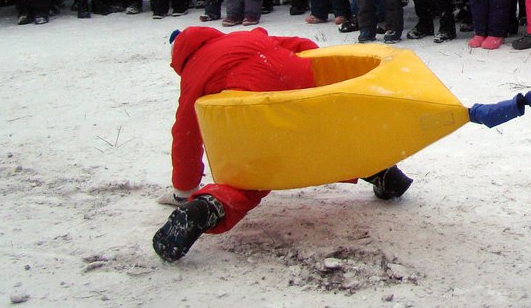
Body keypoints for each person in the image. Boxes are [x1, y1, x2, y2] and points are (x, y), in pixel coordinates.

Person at [152, 26, 412, 261]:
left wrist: (183, 189)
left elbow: (185, 134)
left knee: (258, 169)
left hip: (254, 94)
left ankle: (207, 208)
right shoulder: (245, 37)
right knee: (319, 141)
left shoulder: (194, 71)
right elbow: (302, 45)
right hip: (297, 78)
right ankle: (381, 172)